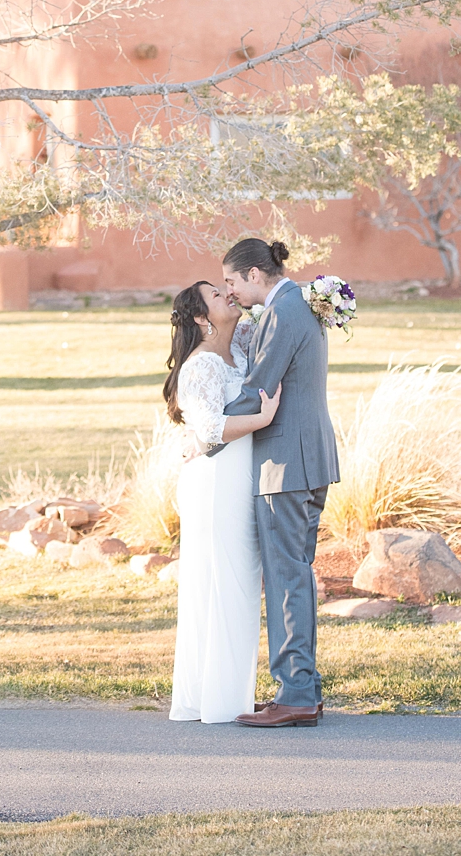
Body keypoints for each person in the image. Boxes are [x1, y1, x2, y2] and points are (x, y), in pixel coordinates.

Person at [207, 236, 341, 728]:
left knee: (287, 578)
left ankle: (298, 693)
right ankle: (300, 688)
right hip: (305, 459)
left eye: (231, 282)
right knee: (294, 575)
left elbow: (259, 389)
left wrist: (206, 437)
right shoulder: (295, 304)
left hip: (286, 465)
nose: (230, 291)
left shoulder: (284, 313)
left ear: (254, 275)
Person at [163, 280, 276, 724]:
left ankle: (226, 695)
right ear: (199, 318)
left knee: (238, 584)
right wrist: (262, 418)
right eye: (215, 295)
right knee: (219, 583)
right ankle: (217, 701)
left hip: (236, 481)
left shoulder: (239, 344)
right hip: (213, 485)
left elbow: (269, 311)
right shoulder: (202, 365)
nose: (227, 296)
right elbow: (210, 429)